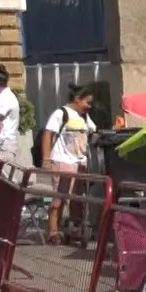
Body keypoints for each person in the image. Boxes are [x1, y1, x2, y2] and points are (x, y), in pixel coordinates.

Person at [41, 86, 96, 243]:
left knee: (78, 199)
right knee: (60, 198)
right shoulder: (61, 114)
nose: (89, 106)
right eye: (87, 102)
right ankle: (53, 231)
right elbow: (48, 134)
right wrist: (46, 159)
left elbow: (94, 131)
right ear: (78, 99)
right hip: (62, 161)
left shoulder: (85, 117)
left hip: (80, 163)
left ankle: (74, 229)